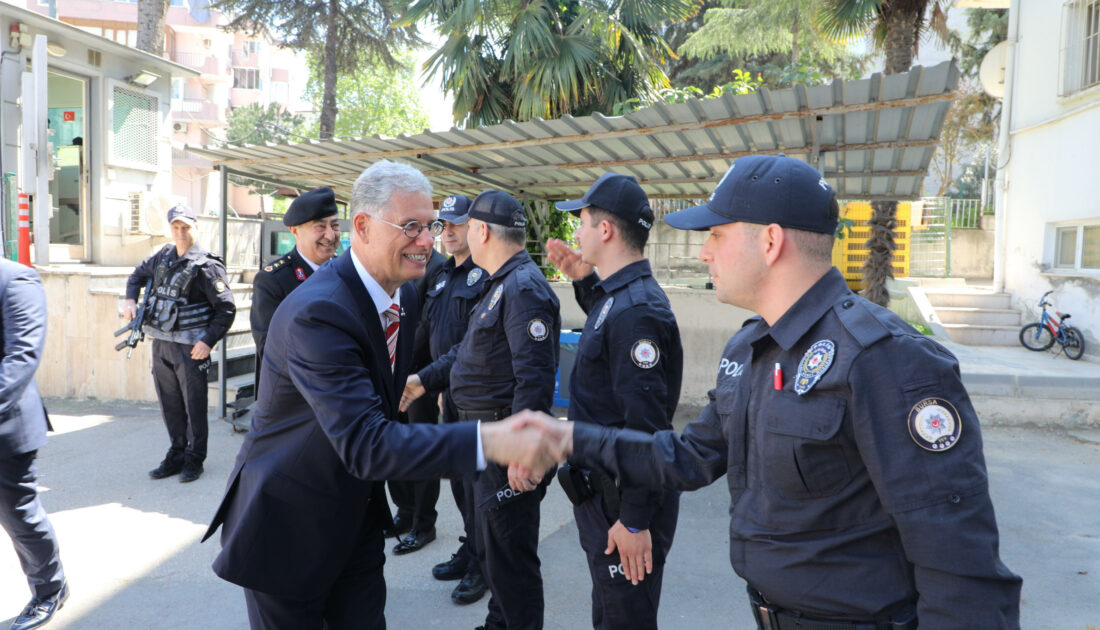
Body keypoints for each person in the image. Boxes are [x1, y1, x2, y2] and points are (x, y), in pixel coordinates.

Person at [508, 155, 1023, 629]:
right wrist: (570, 438)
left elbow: (961, 567)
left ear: (771, 242)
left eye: (716, 234)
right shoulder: (752, 348)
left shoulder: (885, 358)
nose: (705, 251)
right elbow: (688, 457)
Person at [201, 161, 558, 630]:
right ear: (363, 227)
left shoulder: (403, 296)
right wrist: (492, 441)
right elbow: (369, 443)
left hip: (356, 520)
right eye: (410, 226)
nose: (427, 241)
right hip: (290, 527)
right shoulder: (319, 312)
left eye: (429, 226)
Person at [403, 189, 561, 630]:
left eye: (467, 224)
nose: (460, 231)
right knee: (491, 547)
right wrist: (422, 381)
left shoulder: (524, 288)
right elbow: (464, 352)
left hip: (502, 444)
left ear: (482, 231)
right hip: (479, 438)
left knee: (511, 557)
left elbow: (535, 379)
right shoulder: (499, 283)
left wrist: (525, 452)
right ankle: (499, 623)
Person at [545, 173, 683, 630]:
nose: (576, 233)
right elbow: (608, 342)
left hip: (623, 505)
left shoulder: (635, 311)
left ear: (605, 230)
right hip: (605, 499)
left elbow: (646, 427)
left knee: (626, 620)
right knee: (610, 616)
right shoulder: (616, 298)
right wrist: (584, 283)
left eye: (581, 222)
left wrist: (636, 521)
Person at [124, 204, 236, 483]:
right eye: (176, 227)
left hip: (191, 348)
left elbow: (226, 309)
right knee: (170, 404)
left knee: (193, 406)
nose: (181, 232)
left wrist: (208, 341)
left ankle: (194, 459)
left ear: (195, 228)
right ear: (170, 229)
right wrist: (129, 299)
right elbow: (137, 275)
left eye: (186, 227)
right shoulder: (163, 256)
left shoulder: (207, 266)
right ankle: (176, 454)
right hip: (161, 343)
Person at [421, 195, 490, 605]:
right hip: (450, 396)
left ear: (474, 228)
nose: (446, 232)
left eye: (455, 225)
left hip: (477, 398)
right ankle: (471, 548)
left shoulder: (486, 277)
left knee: (481, 488)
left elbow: (469, 346)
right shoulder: (442, 275)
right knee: (461, 486)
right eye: (441, 225)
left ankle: (484, 564)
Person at [0, 259, 68, 630]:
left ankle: (49, 589)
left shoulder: (16, 278)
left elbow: (21, 357)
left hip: (6, 427)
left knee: (18, 515)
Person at [249, 186, 340, 396]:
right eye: (320, 226)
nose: (330, 234)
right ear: (295, 230)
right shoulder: (273, 280)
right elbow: (271, 348)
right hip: (293, 398)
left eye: (335, 225)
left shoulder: (347, 273)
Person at [386, 243, 447, 553]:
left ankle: (424, 523)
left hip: (419, 374)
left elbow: (427, 324)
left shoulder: (438, 266)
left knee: (421, 450)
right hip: (394, 372)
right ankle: (405, 511)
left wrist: (400, 360)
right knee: (394, 446)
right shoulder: (399, 259)